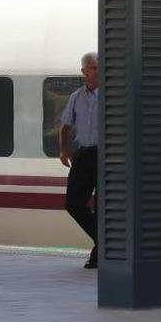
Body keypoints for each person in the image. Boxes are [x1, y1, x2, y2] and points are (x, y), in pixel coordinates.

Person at [60, 52, 100, 269]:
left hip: (106, 154)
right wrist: (64, 150)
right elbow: (65, 127)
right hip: (84, 154)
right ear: (84, 71)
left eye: (100, 67)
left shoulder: (112, 94)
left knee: (104, 207)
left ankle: (99, 251)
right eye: (93, 67)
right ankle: (103, 242)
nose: (98, 71)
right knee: (73, 203)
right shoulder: (76, 97)